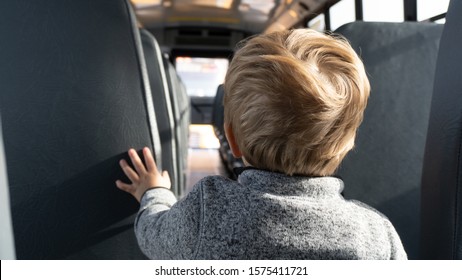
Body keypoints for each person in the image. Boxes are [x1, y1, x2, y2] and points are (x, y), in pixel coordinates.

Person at [116, 29, 407, 259]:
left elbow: (153, 235)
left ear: (232, 137)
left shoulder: (208, 211)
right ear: (347, 142)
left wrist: (153, 191)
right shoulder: (377, 236)